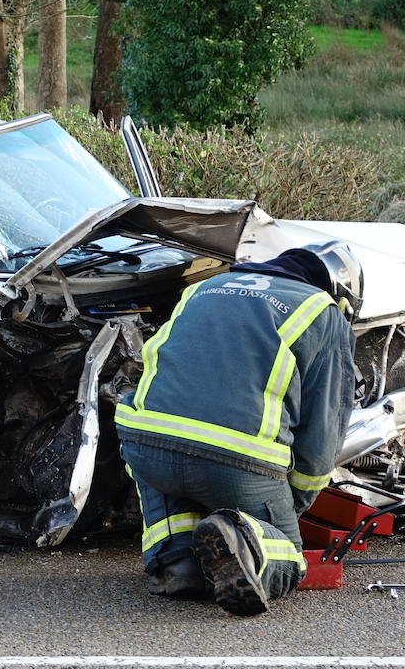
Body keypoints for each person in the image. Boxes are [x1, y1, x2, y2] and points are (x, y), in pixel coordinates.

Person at [116, 242, 362, 616]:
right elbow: (321, 433)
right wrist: (289, 504)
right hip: (235, 462)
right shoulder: (322, 312)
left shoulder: (204, 287)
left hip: (146, 442)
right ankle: (243, 538)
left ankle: (178, 565)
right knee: (289, 559)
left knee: (169, 469)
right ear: (340, 295)